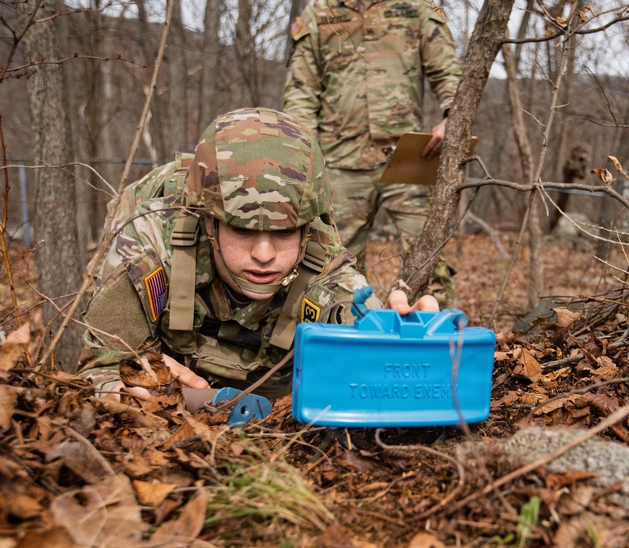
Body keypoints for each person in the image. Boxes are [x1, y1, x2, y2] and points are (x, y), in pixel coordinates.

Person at [78, 108, 438, 402]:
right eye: (243, 230)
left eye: (283, 233)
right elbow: (98, 373)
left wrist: (396, 339)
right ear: (210, 222)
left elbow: (352, 318)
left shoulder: (320, 253)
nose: (264, 254)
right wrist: (156, 390)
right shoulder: (149, 241)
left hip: (270, 386)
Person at [282, 0, 461, 308]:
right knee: (330, 263)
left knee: (428, 255)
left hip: (407, 155)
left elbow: (447, 69)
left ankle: (438, 341)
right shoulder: (320, 12)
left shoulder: (416, 7)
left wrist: (452, 117)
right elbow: (302, 88)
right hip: (338, 160)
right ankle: (344, 342)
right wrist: (302, 148)